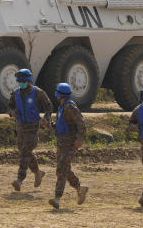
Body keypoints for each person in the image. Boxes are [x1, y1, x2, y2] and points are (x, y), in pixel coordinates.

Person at [7, 68, 53, 192]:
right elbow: (9, 106)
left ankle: (19, 179)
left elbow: (48, 107)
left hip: (33, 127)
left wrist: (46, 118)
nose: (21, 83)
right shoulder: (15, 93)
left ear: (28, 81)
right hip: (20, 127)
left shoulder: (38, 93)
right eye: (19, 81)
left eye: (23, 81)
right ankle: (38, 172)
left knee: (24, 153)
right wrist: (12, 112)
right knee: (24, 151)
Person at [48, 82, 88, 210]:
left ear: (59, 95)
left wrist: (79, 139)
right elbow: (62, 125)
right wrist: (51, 125)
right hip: (61, 143)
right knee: (65, 169)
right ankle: (80, 188)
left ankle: (57, 198)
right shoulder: (63, 107)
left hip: (69, 144)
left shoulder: (69, 107)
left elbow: (81, 124)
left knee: (61, 169)